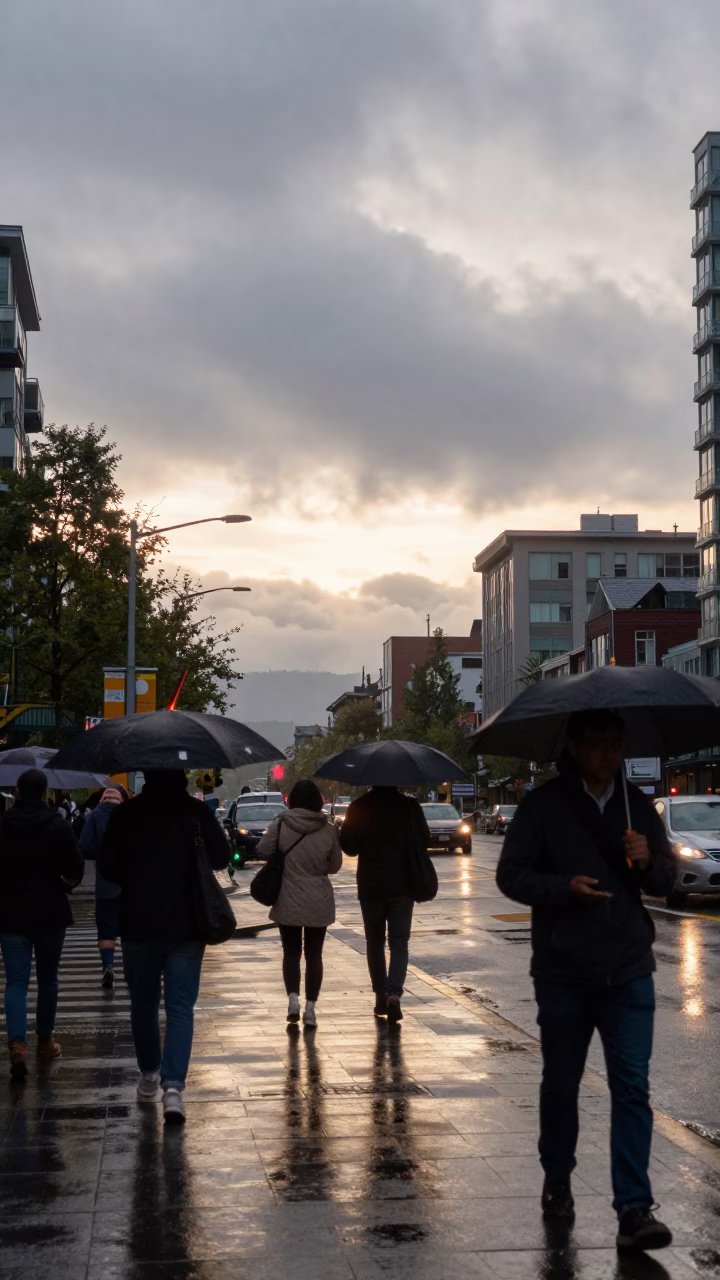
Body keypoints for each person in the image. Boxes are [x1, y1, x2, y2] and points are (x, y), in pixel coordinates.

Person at [496, 709, 676, 1255]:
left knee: (632, 1087)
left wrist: (646, 862)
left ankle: (634, 1208)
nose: (609, 753)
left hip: (628, 968)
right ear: (573, 747)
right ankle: (558, 1175)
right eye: (598, 743)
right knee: (561, 1083)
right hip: (564, 971)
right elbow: (511, 875)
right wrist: (562, 888)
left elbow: (666, 881)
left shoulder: (636, 806)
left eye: (616, 743)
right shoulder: (543, 807)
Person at [98, 769, 230, 1124]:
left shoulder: (127, 813)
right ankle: (173, 1088)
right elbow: (221, 857)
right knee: (180, 1006)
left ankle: (148, 1074)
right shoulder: (196, 812)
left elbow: (107, 867)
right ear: (182, 776)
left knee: (143, 1004)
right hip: (187, 923)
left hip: (138, 922)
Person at [0, 768, 84, 1079]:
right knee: (48, 979)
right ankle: (46, 1042)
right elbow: (75, 866)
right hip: (50, 911)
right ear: (45, 793)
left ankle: (17, 1045)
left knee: (15, 982)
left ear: (18, 792)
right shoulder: (57, 824)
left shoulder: (4, 824)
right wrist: (65, 883)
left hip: (11, 913)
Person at [340, 785, 431, 1023]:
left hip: (371, 886)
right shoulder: (409, 806)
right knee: (399, 942)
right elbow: (425, 839)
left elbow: (348, 847)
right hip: (403, 885)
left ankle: (380, 996)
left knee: (375, 942)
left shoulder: (359, 806)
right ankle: (394, 993)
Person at [257, 779, 342, 1028]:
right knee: (314, 955)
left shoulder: (281, 824)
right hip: (318, 899)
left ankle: (293, 1002)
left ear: (292, 800)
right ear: (317, 800)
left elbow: (262, 850)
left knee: (291, 953)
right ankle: (311, 1009)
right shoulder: (328, 829)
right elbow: (335, 865)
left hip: (288, 897)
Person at [80, 786, 128, 988]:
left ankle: (108, 965)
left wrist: (101, 853)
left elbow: (84, 847)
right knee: (129, 930)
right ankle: (131, 968)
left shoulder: (94, 816)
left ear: (103, 799)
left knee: (106, 930)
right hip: (129, 885)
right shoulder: (129, 815)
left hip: (105, 883)